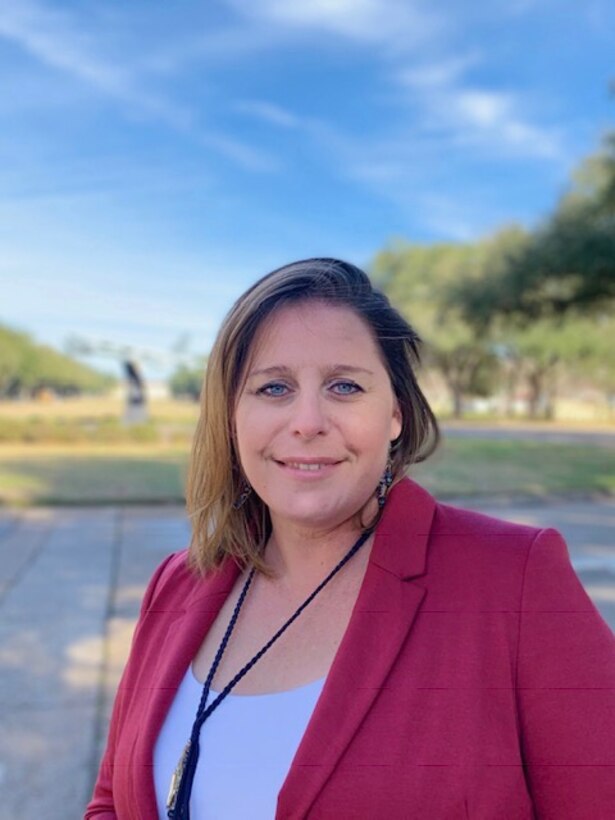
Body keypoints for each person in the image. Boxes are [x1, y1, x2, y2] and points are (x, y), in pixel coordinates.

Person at [86, 258, 615, 820]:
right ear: (232, 416)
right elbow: (113, 803)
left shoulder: (516, 579)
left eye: (344, 386)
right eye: (273, 387)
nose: (308, 421)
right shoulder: (176, 583)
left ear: (395, 414)